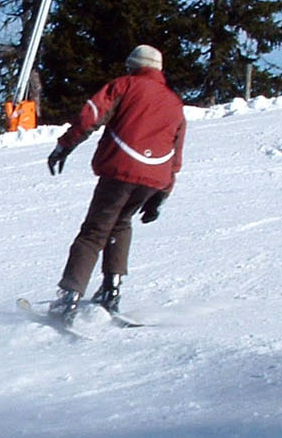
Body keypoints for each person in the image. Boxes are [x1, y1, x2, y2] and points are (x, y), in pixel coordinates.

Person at [44, 44, 186, 323]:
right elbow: (176, 150)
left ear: (134, 65)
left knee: (94, 232)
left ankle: (69, 297)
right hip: (154, 177)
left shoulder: (125, 85)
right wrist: (163, 193)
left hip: (121, 169)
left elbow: (91, 116)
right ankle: (112, 291)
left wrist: (65, 146)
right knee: (120, 224)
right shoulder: (174, 103)